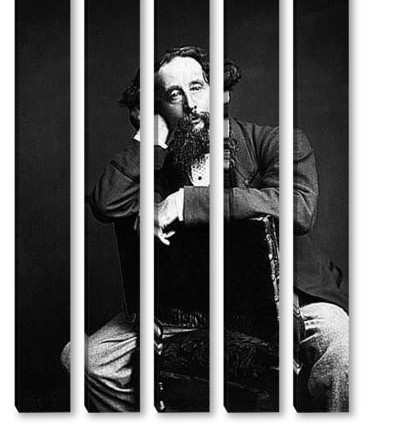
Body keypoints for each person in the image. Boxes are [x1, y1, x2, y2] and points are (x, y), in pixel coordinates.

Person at [60, 45, 348, 412]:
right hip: (192, 310)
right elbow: (107, 204)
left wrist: (185, 202)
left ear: (220, 92)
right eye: (174, 94)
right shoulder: (157, 165)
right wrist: (148, 138)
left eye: (197, 87)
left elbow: (298, 208)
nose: (191, 103)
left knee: (343, 349)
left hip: (289, 301)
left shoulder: (277, 142)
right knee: (84, 359)